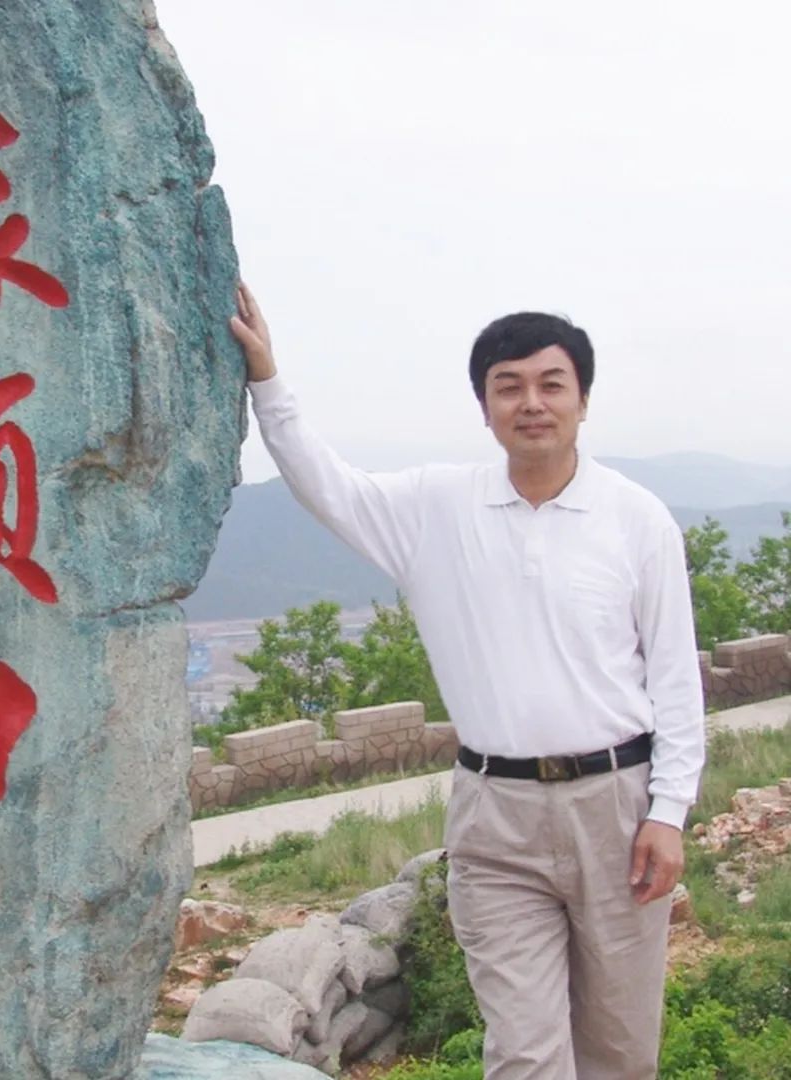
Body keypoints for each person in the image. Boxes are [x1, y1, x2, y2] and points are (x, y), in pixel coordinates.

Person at [229, 283, 705, 1080]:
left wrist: (669, 813)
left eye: (551, 384)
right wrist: (269, 383)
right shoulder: (437, 509)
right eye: (508, 386)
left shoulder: (636, 519)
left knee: (621, 1051)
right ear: (484, 407)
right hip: (495, 816)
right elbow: (329, 486)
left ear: (583, 400)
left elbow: (676, 681)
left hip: (617, 810)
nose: (532, 403)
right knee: (523, 1051)